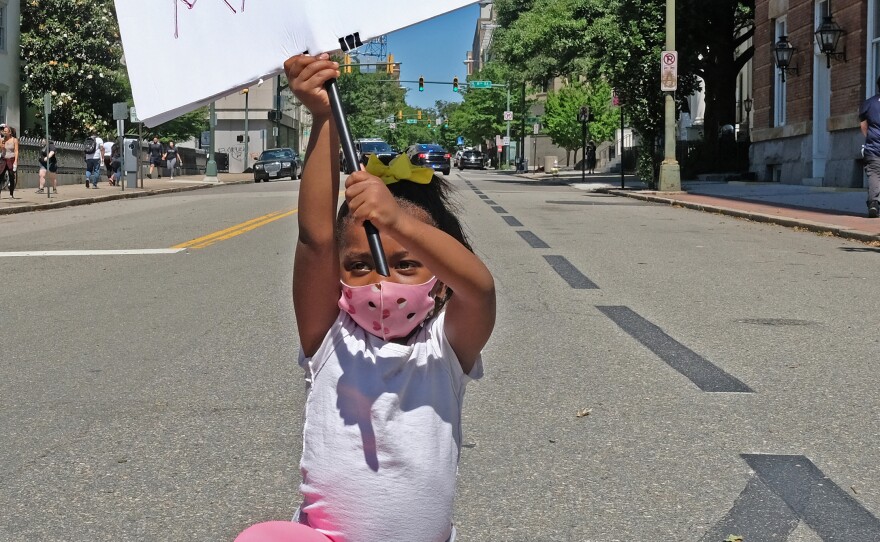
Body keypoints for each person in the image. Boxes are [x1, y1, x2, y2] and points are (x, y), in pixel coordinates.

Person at [286, 54, 496, 542]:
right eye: (358, 265)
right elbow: (317, 238)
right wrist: (321, 117)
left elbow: (480, 288)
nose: (382, 283)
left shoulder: (445, 350)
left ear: (441, 279)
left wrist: (397, 221)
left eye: (406, 265)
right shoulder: (329, 339)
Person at [859, 76, 880, 218]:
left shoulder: (869, 103)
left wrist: (870, 138)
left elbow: (863, 125)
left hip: (874, 147)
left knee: (874, 174)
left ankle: (873, 203)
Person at [0, 125, 19, 198]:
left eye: (6, 131)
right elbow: (1, 149)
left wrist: (15, 161)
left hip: (11, 159)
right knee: (0, 176)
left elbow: (16, 151)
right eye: (3, 131)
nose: (4, 132)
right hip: (3, 159)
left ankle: (11, 193)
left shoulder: (14, 140)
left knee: (11, 177)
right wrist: (2, 145)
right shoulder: (2, 140)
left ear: (9, 132)